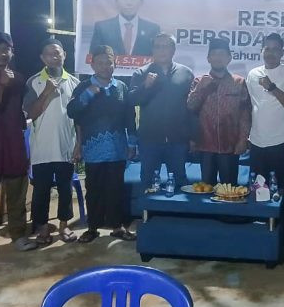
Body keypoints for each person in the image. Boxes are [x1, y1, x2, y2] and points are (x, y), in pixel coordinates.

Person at [0, 32, 38, 256]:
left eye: (6, 49)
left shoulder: (19, 79)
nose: (1, 53)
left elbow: (27, 110)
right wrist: (1, 85)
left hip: (14, 143)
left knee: (17, 194)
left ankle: (19, 235)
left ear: (12, 52)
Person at [67, 45, 138, 243]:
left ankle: (117, 227)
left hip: (117, 149)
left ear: (115, 64)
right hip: (93, 149)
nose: (105, 67)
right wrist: (88, 93)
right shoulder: (83, 87)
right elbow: (72, 112)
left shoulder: (121, 87)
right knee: (94, 189)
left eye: (109, 63)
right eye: (100, 63)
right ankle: (92, 227)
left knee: (116, 189)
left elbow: (130, 117)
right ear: (92, 64)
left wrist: (132, 143)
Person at [23, 38, 80, 245]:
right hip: (42, 149)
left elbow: (78, 119)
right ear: (42, 58)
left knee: (65, 189)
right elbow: (30, 113)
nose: (54, 57)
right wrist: (46, 92)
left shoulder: (74, 83)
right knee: (41, 191)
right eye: (49, 54)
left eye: (57, 53)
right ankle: (43, 228)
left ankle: (64, 226)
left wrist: (78, 144)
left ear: (64, 55)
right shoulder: (34, 82)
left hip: (66, 147)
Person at [129, 34, 194, 189]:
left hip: (178, 140)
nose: (161, 50)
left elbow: (192, 108)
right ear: (152, 50)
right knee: (148, 183)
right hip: (149, 140)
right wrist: (145, 86)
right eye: (157, 46)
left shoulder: (186, 73)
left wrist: (193, 136)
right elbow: (132, 101)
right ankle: (148, 206)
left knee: (179, 182)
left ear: (173, 50)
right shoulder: (141, 73)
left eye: (165, 46)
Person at [186, 38, 251, 185]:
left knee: (229, 190)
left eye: (222, 54)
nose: (218, 58)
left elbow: (245, 115)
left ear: (229, 58)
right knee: (207, 188)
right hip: (205, 145)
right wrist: (201, 88)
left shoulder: (239, 82)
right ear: (208, 58)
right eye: (214, 54)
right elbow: (191, 107)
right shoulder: (199, 81)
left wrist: (243, 140)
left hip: (230, 146)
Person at [246, 33, 284, 197]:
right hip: (256, 142)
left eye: (275, 49)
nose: (271, 53)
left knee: (282, 194)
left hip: (280, 142)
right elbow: (252, 105)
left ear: (282, 52)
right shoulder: (253, 74)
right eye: (267, 49)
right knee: (258, 192)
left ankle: (283, 215)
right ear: (261, 51)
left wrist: (272, 87)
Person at [90, 0, 161, 56]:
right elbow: (93, 58)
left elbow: (158, 58)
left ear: (141, 1)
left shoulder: (152, 29)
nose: (129, 2)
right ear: (116, 0)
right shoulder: (102, 28)